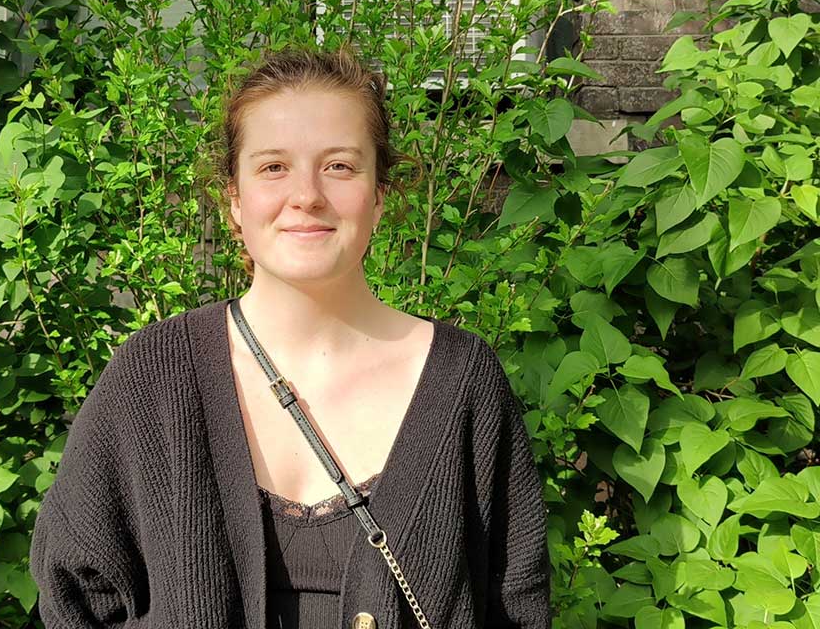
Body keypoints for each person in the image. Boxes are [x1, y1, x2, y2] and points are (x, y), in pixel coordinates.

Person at [28, 46, 551, 628]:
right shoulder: (153, 378)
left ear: (379, 196)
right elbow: (73, 595)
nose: (306, 194)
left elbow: (518, 606)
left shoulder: (461, 384)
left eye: (340, 166)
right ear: (234, 199)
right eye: (274, 166)